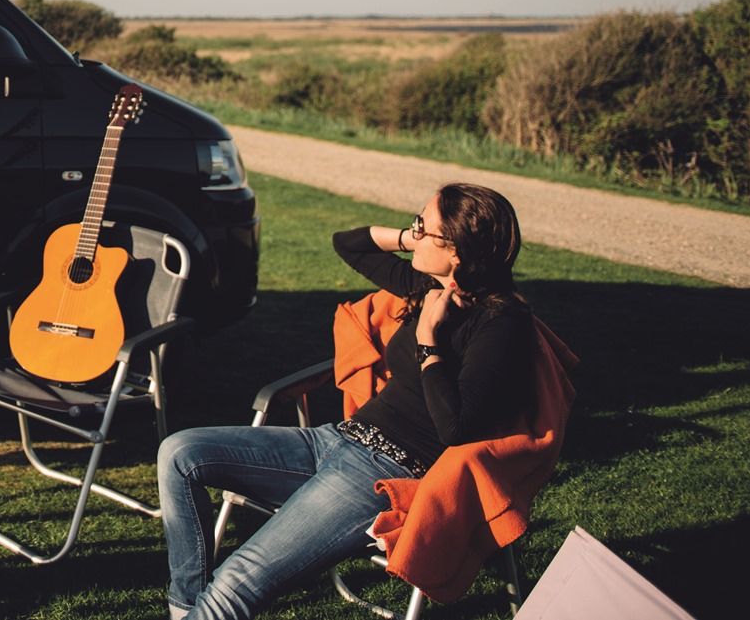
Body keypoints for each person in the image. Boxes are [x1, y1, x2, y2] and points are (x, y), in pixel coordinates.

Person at [158, 183, 534, 620]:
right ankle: (186, 609)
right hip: (336, 440)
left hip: (385, 472)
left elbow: (457, 428)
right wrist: (411, 238)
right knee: (179, 453)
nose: (413, 232)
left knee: (240, 577)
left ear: (456, 250)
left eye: (422, 227)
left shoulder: (500, 323)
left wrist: (429, 343)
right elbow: (349, 244)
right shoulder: (430, 284)